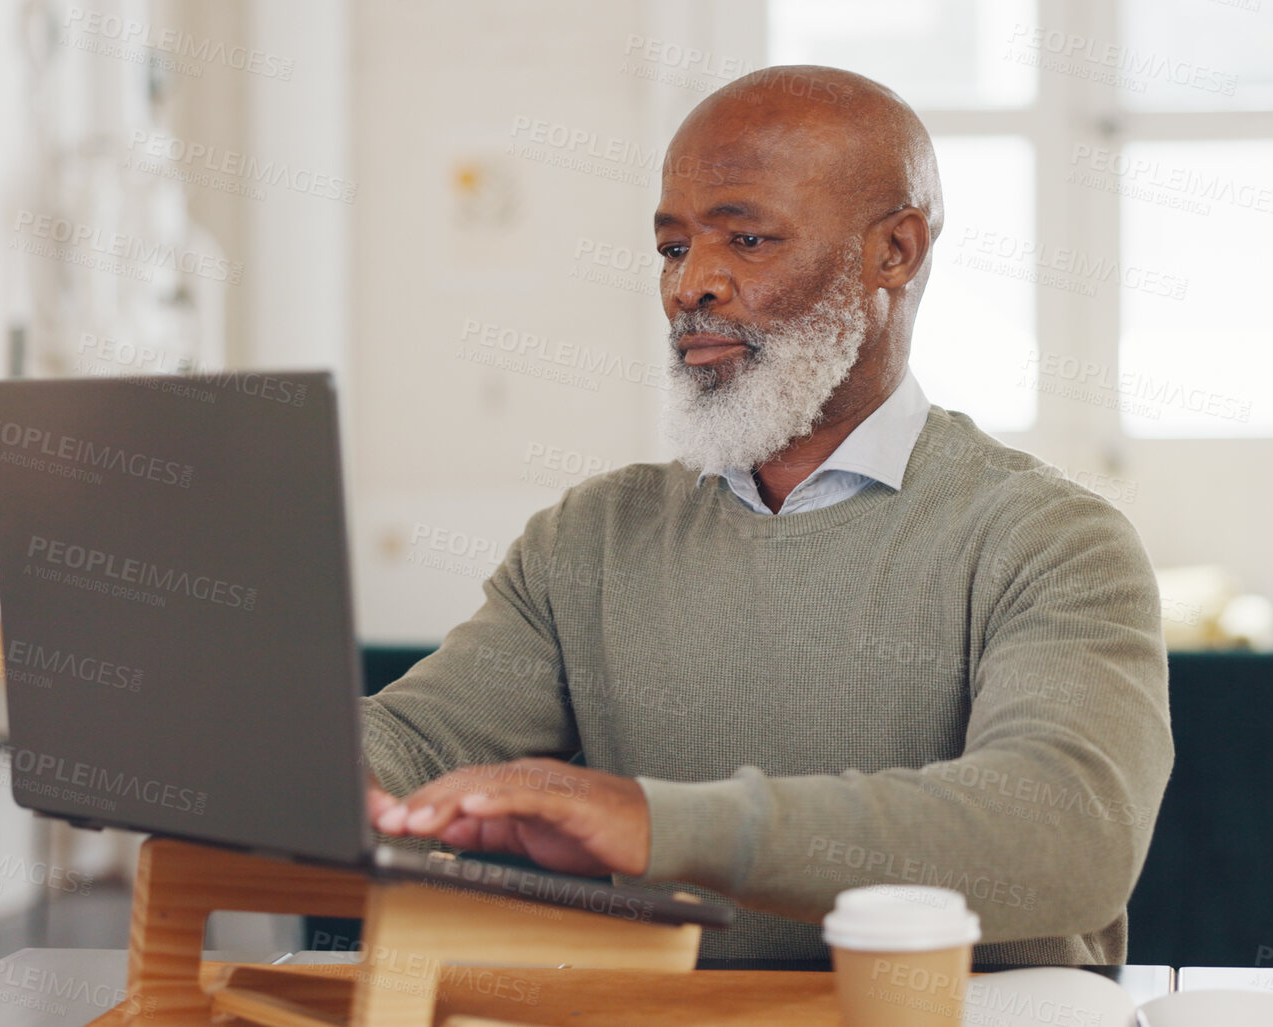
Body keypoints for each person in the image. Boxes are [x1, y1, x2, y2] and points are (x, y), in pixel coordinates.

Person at [359, 65, 1173, 964]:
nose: (689, 287)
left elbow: (1063, 834)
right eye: (672, 249)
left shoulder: (1051, 541)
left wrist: (659, 822)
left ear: (892, 253)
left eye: (745, 240)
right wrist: (317, 770)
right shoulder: (589, 538)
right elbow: (412, 742)